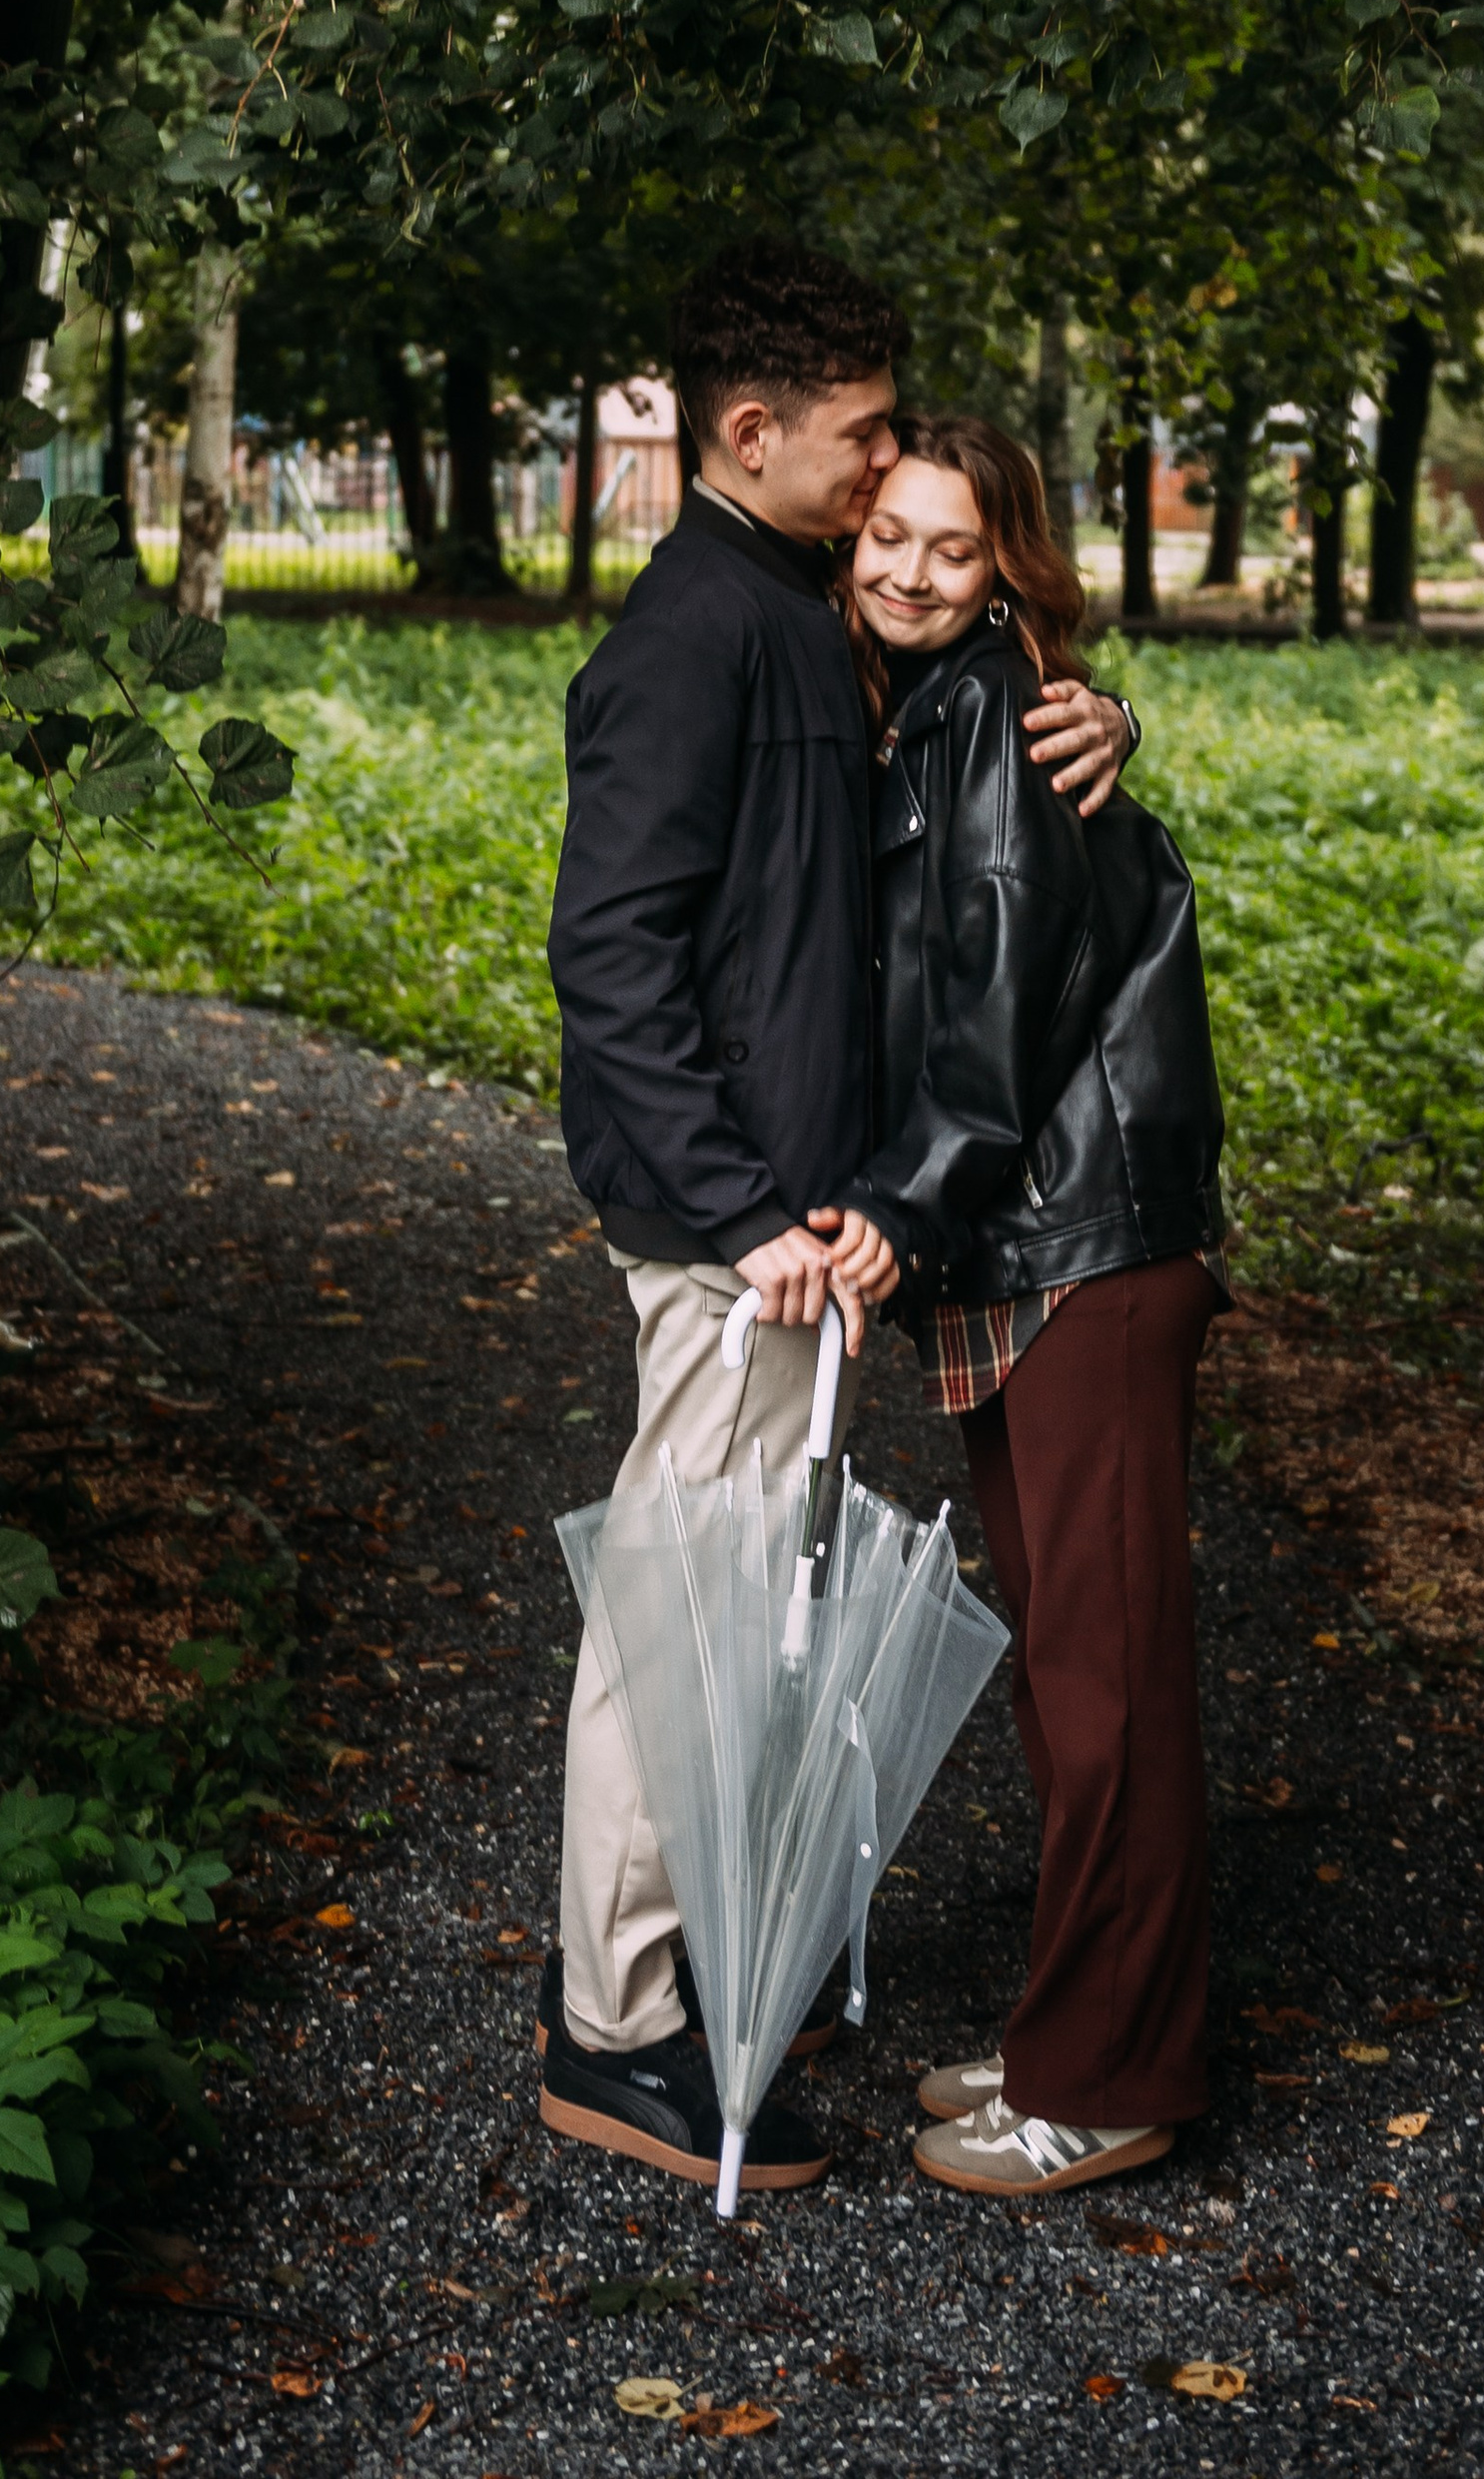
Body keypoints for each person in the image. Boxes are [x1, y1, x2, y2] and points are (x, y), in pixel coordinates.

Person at [537, 247, 1133, 2193]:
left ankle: (680, 1964)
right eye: (863, 434)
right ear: (749, 431)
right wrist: (741, 1215)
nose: (884, 468)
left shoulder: (791, 605)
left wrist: (1098, 718)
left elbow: (947, 751)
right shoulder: (690, 635)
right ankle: (615, 2030)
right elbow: (608, 955)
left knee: (734, 1616)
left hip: (799, 1231)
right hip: (743, 1239)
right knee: (675, 1616)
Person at [814, 412, 1226, 2200]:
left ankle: (1113, 2078)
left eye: (953, 547)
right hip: (1039, 1244)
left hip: (1086, 1247)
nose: (910, 572)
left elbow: (989, 1010)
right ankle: (1077, 2022)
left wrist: (899, 1213)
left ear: (1008, 569)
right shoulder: (937, 701)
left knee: (1106, 1683)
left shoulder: (995, 710)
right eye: (887, 536)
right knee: (1070, 1679)